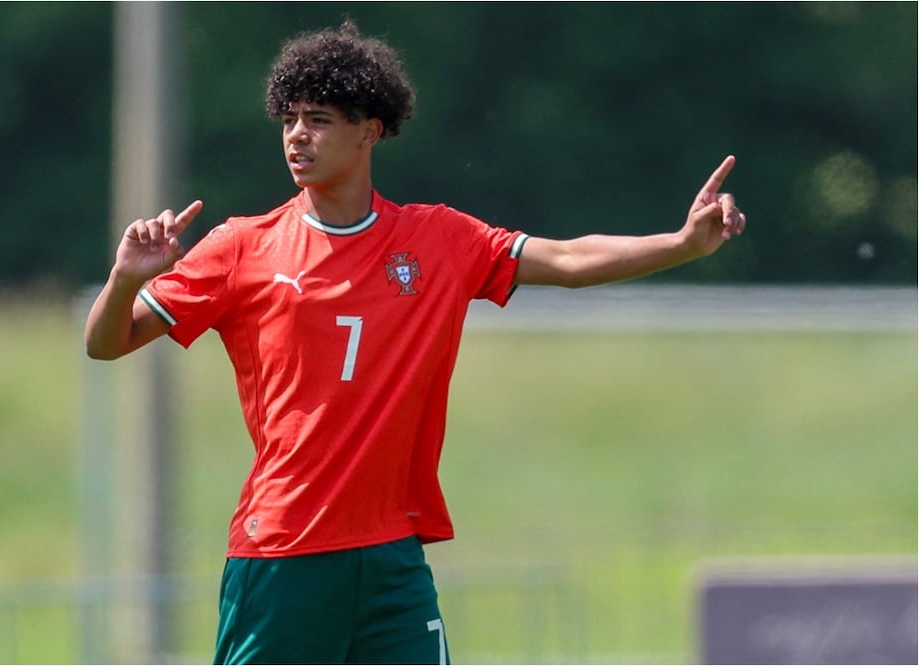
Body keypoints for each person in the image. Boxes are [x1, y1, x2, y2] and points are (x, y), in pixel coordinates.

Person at [85, 19, 746, 665]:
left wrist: (681, 245)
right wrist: (123, 280)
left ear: (368, 131)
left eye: (318, 119)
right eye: (289, 119)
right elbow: (106, 344)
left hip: (392, 556)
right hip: (285, 552)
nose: (296, 136)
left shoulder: (437, 239)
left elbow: (569, 259)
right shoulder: (241, 247)